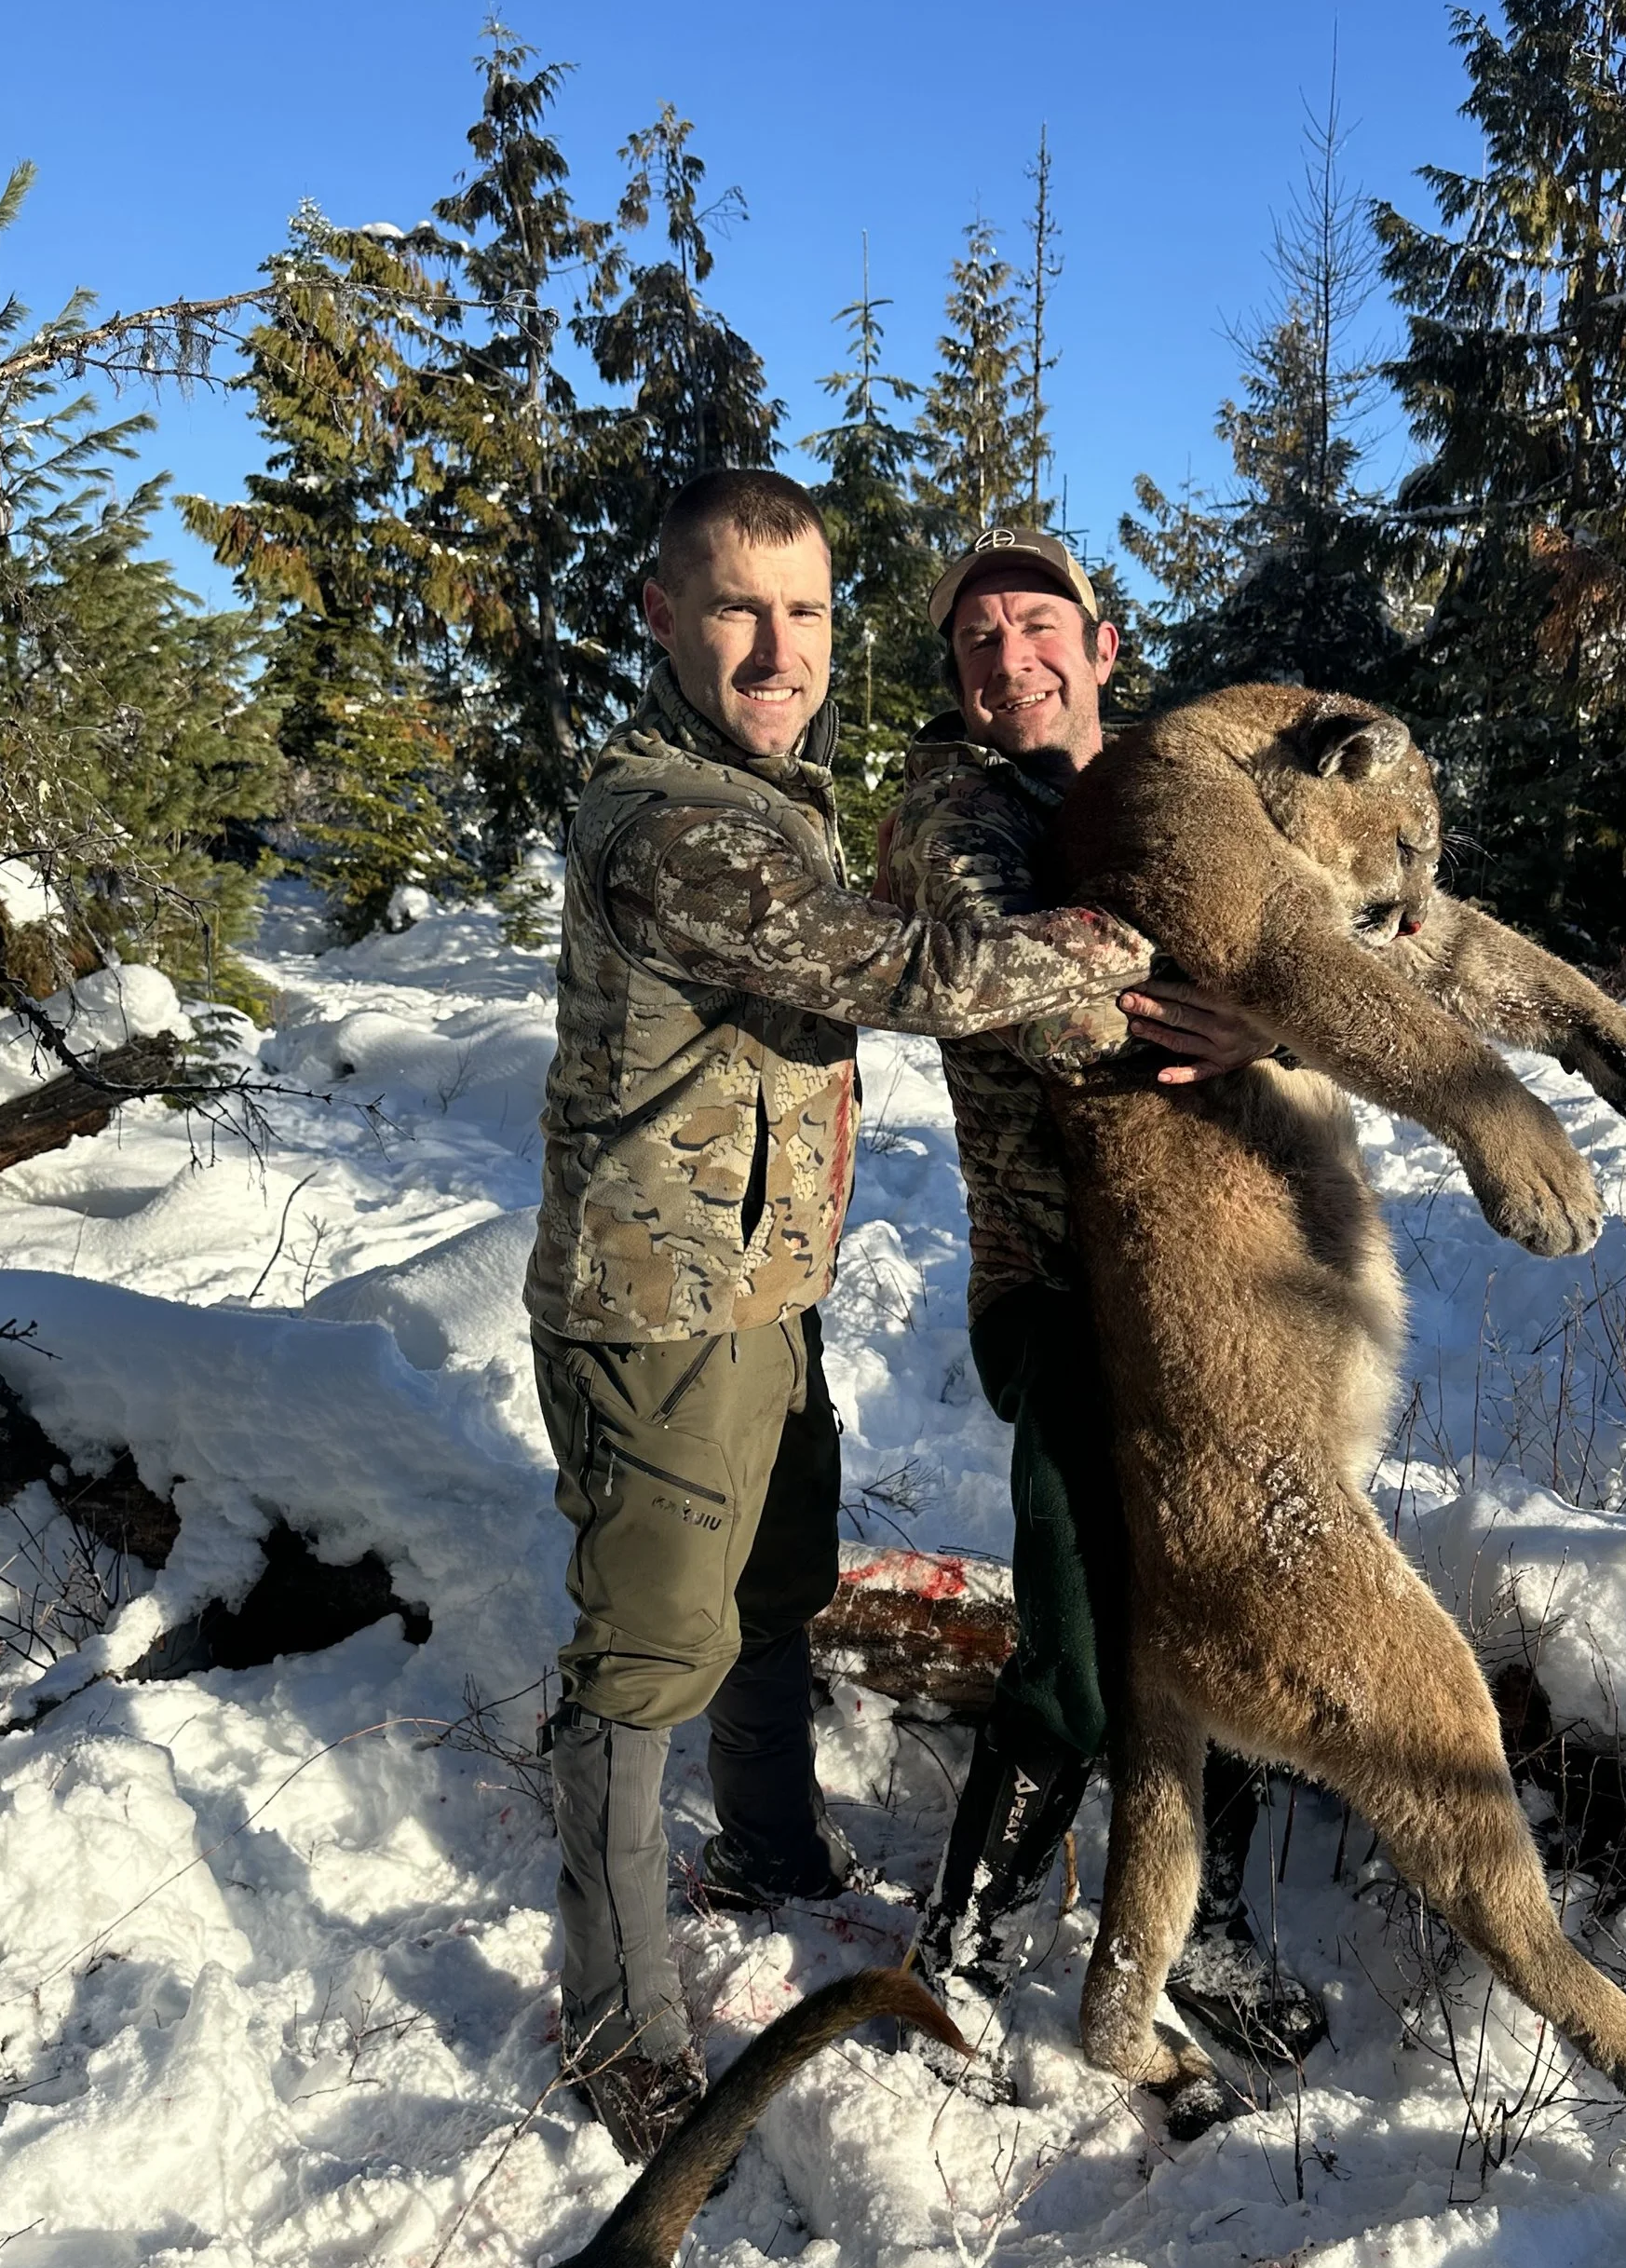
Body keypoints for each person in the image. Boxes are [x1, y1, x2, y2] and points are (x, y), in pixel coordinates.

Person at [524, 470, 1168, 2161]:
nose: (777, 646)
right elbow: (921, 974)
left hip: (761, 1290)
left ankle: (768, 1852)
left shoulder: (770, 797)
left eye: (805, 613)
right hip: (657, 1309)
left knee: (774, 1587)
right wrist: (1130, 936)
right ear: (663, 617)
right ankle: (615, 2027)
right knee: (645, 1658)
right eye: (738, 608)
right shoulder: (679, 823)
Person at [874, 526, 1328, 2067]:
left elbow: (1334, 934)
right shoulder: (950, 808)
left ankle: (1203, 1934)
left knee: (1239, 1601)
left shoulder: (1178, 792)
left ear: (1104, 643)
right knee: (1078, 1636)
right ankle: (970, 1937)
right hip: (1062, 1287)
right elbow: (1027, 999)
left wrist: (1276, 1017)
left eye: (1037, 625)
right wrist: (1245, 993)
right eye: (976, 643)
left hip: (1233, 1281)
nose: (1010, 659)